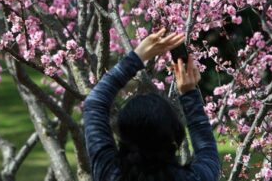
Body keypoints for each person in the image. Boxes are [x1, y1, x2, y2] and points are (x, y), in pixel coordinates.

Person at [83, 27, 221, 181]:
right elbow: (206, 150)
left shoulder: (109, 173)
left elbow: (94, 103)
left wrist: (137, 57)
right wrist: (189, 93)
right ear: (175, 133)